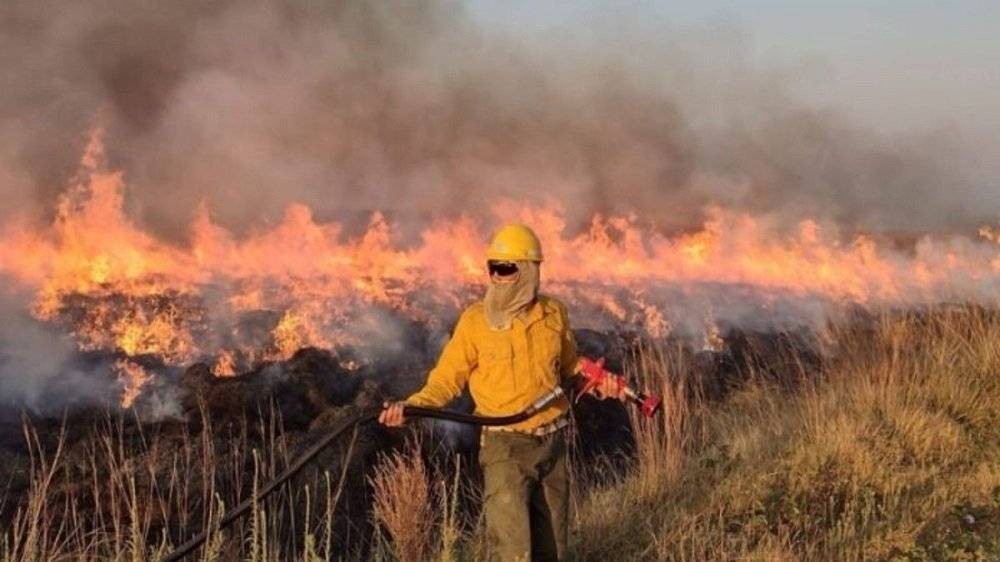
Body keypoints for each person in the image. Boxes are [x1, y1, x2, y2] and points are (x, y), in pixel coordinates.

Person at [379, 224, 622, 562]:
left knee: (555, 551)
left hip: (552, 444)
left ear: (529, 271)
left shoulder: (554, 314)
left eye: (507, 269)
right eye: (493, 268)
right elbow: (446, 379)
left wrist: (600, 384)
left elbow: (569, 368)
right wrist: (412, 407)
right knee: (514, 552)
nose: (498, 277)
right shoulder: (475, 322)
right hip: (505, 449)